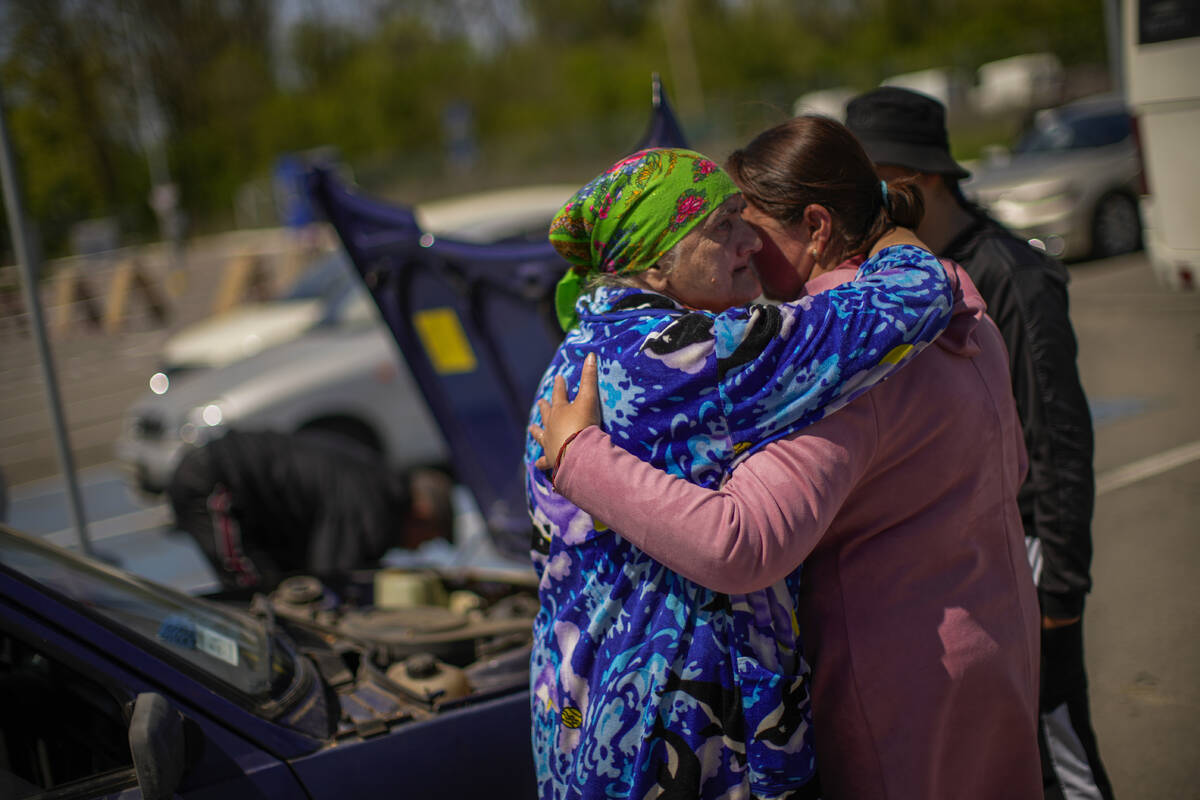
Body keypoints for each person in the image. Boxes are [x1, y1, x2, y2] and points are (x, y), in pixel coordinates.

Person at [530, 117, 1043, 800]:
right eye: (722, 229)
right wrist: (914, 253)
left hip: (880, 697)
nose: (746, 245)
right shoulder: (684, 353)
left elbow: (742, 539)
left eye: (750, 223)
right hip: (661, 731)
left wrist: (581, 454)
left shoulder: (609, 348)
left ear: (818, 227)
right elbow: (741, 541)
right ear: (656, 262)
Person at [844, 86, 1112, 800]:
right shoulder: (900, 280)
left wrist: (1060, 595)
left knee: (1059, 757)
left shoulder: (1009, 276)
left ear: (920, 179)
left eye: (869, 181)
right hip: (967, 567)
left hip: (1025, 556)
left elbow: (1058, 447)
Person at [166, 429, 453, 591]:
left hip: (239, 490)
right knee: (259, 596)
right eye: (426, 539)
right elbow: (331, 574)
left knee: (276, 587)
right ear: (422, 512)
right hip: (216, 483)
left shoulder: (375, 481)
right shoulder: (369, 506)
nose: (416, 551)